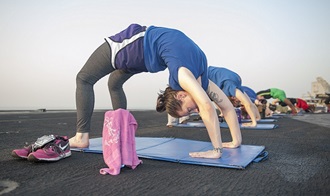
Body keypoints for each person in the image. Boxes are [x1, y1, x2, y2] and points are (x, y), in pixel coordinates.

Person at [70, 24, 242, 159]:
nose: (195, 110)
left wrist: (226, 145)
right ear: (180, 94)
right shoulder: (193, 78)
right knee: (112, 84)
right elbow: (216, 107)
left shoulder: (189, 76)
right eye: (190, 110)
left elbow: (216, 107)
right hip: (138, 50)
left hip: (137, 52)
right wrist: (225, 145)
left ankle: (81, 137)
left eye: (190, 110)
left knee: (84, 79)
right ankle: (121, 134)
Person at [166, 66, 260, 127]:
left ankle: (174, 119)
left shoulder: (229, 85)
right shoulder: (230, 85)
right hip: (204, 74)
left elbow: (249, 104)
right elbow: (248, 103)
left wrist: (255, 121)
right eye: (236, 102)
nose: (237, 102)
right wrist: (254, 121)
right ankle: (173, 120)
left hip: (208, 74)